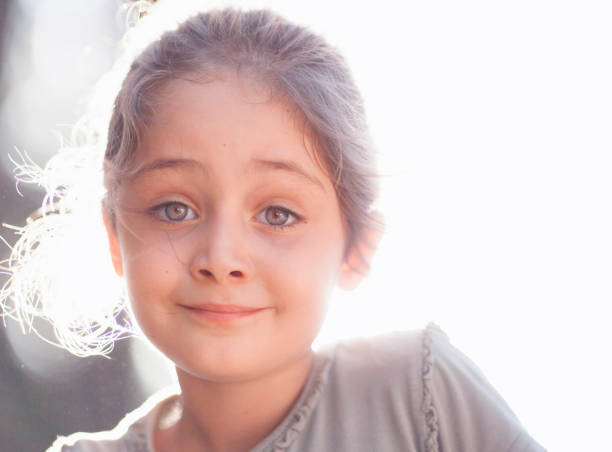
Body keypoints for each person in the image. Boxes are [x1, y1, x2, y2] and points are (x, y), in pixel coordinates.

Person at [1, 4, 545, 451]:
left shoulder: (418, 395)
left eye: (277, 214)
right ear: (115, 236)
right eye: (174, 209)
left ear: (356, 249)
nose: (221, 256)